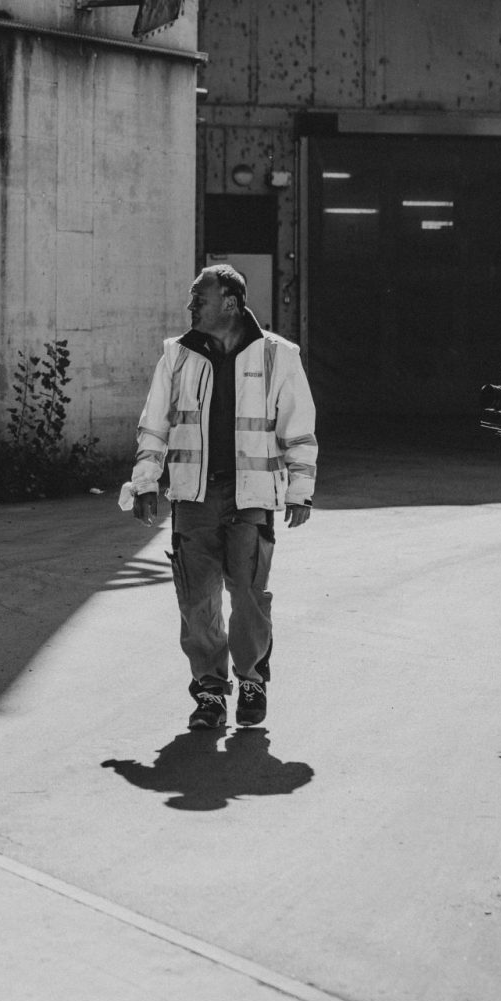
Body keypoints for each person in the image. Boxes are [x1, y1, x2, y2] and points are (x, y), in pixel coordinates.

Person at [120, 264, 317, 732]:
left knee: (248, 595)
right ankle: (209, 691)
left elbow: (299, 425)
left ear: (229, 302)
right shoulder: (177, 356)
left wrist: (301, 490)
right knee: (196, 598)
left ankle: (251, 679)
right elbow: (154, 425)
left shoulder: (278, 355)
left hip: (252, 497)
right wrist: (146, 484)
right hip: (194, 496)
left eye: (198, 300)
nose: (190, 308)